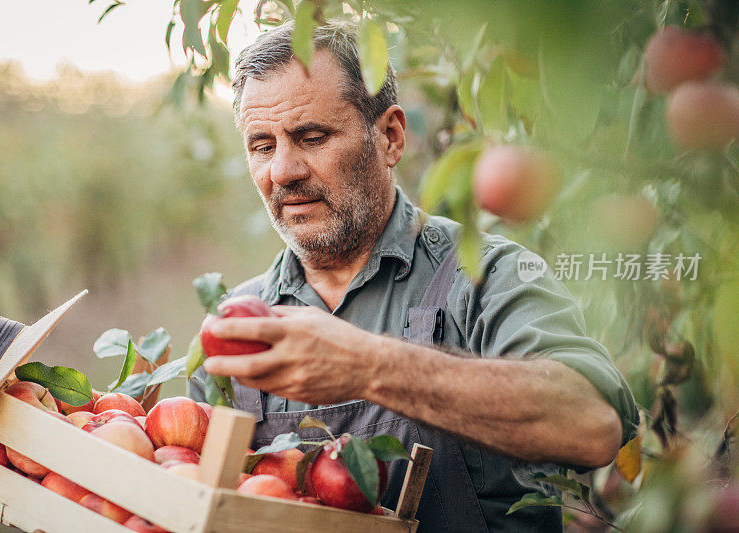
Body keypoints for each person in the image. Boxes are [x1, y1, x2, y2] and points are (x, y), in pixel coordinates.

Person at [190, 20, 639, 532]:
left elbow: (593, 423)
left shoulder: (487, 275)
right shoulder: (237, 325)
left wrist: (369, 366)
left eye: (311, 137)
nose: (284, 171)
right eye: (262, 146)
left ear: (390, 137)